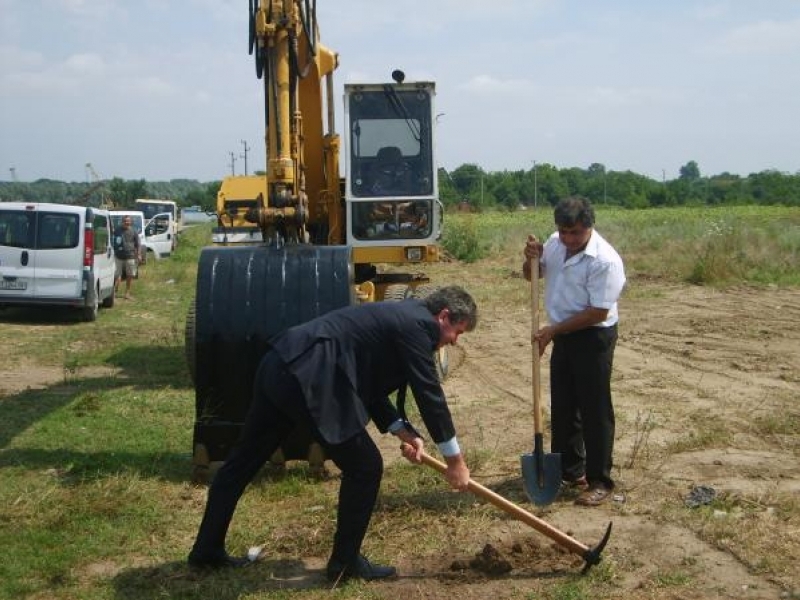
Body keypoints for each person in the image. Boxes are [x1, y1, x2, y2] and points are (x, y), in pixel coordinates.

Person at [188, 286, 478, 581]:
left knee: (241, 462)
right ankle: (345, 564)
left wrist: (403, 431)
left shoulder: (402, 316)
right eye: (458, 332)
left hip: (280, 364)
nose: (453, 341)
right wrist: (454, 460)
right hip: (310, 376)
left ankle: (206, 550)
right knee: (365, 467)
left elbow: (367, 382)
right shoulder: (419, 328)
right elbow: (430, 394)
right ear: (443, 316)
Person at [522, 196, 625, 507]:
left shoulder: (605, 260)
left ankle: (600, 480)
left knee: (594, 408)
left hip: (594, 335)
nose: (568, 239)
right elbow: (532, 275)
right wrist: (531, 260)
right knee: (564, 405)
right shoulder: (554, 243)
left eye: (575, 234)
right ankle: (569, 470)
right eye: (563, 232)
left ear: (589, 227)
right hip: (563, 332)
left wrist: (553, 331)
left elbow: (598, 312)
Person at [113, 216, 140, 300]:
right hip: (118, 256)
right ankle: (114, 291)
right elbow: (112, 240)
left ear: (130, 222)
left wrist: (138, 255)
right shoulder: (117, 230)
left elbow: (138, 244)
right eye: (125, 221)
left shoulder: (134, 231)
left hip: (130, 256)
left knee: (129, 275)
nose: (126, 223)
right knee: (117, 275)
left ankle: (127, 293)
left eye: (128, 221)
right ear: (122, 222)